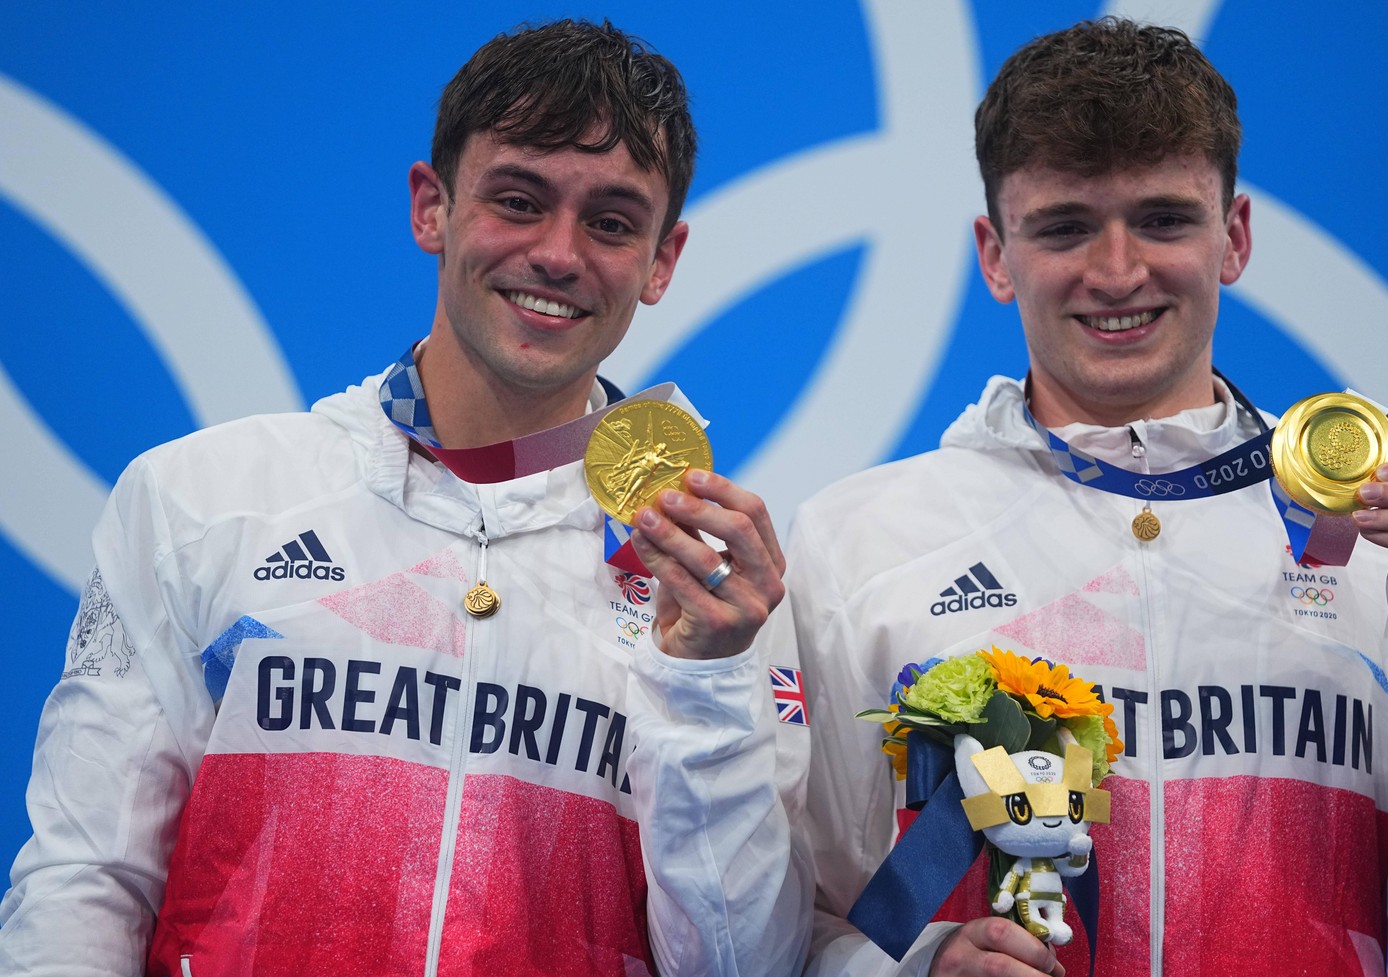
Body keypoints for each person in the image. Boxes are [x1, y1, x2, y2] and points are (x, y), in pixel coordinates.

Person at [0, 20, 810, 977]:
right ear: (432, 206)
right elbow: (82, 882)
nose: (558, 254)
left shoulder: (711, 584)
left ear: (662, 260)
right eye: (518, 199)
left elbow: (740, 964)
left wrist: (704, 682)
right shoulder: (199, 499)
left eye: (611, 222)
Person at [779, 17, 1388, 977]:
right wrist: (911, 967)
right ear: (996, 254)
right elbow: (776, 926)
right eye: (1065, 226)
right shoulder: (862, 538)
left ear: (1236, 236)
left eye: (1164, 219)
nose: (1118, 271)